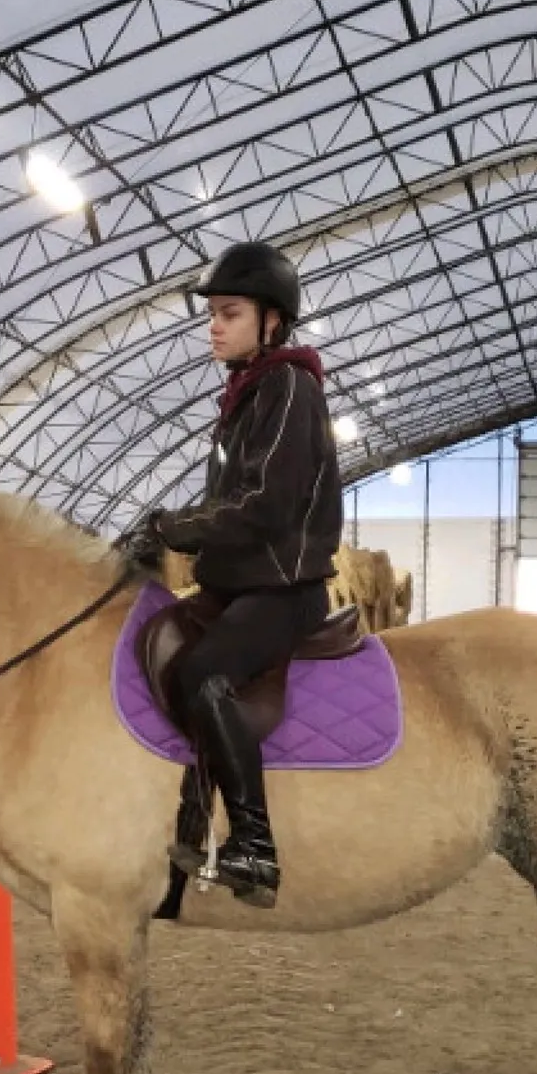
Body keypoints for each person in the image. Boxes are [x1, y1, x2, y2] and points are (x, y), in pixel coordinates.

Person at [118, 241, 344, 907]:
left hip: (283, 588)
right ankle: (183, 836)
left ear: (271, 321)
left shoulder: (288, 386)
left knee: (202, 673)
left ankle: (255, 845)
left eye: (230, 312)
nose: (214, 325)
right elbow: (227, 505)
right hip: (239, 583)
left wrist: (174, 528)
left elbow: (263, 507)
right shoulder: (245, 392)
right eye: (212, 313)